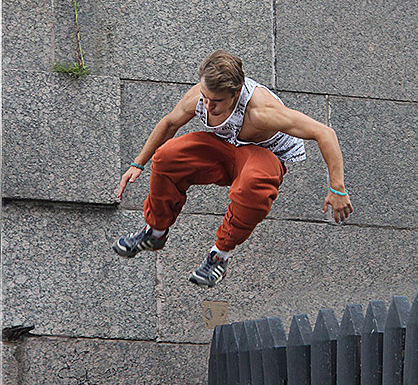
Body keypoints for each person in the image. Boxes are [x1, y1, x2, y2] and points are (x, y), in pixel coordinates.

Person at [113, 50, 353, 287]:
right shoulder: (200, 96)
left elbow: (325, 133)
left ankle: (219, 255)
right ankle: (155, 232)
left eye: (216, 102)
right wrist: (138, 163)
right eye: (205, 97)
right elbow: (169, 123)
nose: (208, 106)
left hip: (262, 158)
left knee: (254, 182)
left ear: (236, 93)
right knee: (167, 156)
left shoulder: (262, 112)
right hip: (224, 151)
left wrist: (338, 188)